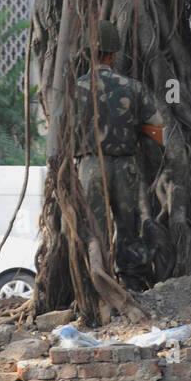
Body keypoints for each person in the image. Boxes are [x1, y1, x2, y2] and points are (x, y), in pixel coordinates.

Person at [72, 21, 164, 270]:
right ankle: (132, 280)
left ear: (86, 54)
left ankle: (95, 282)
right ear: (113, 56)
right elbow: (158, 130)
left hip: (90, 167)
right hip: (126, 166)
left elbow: (61, 135)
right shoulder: (133, 88)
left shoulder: (73, 89)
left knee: (92, 229)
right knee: (128, 227)